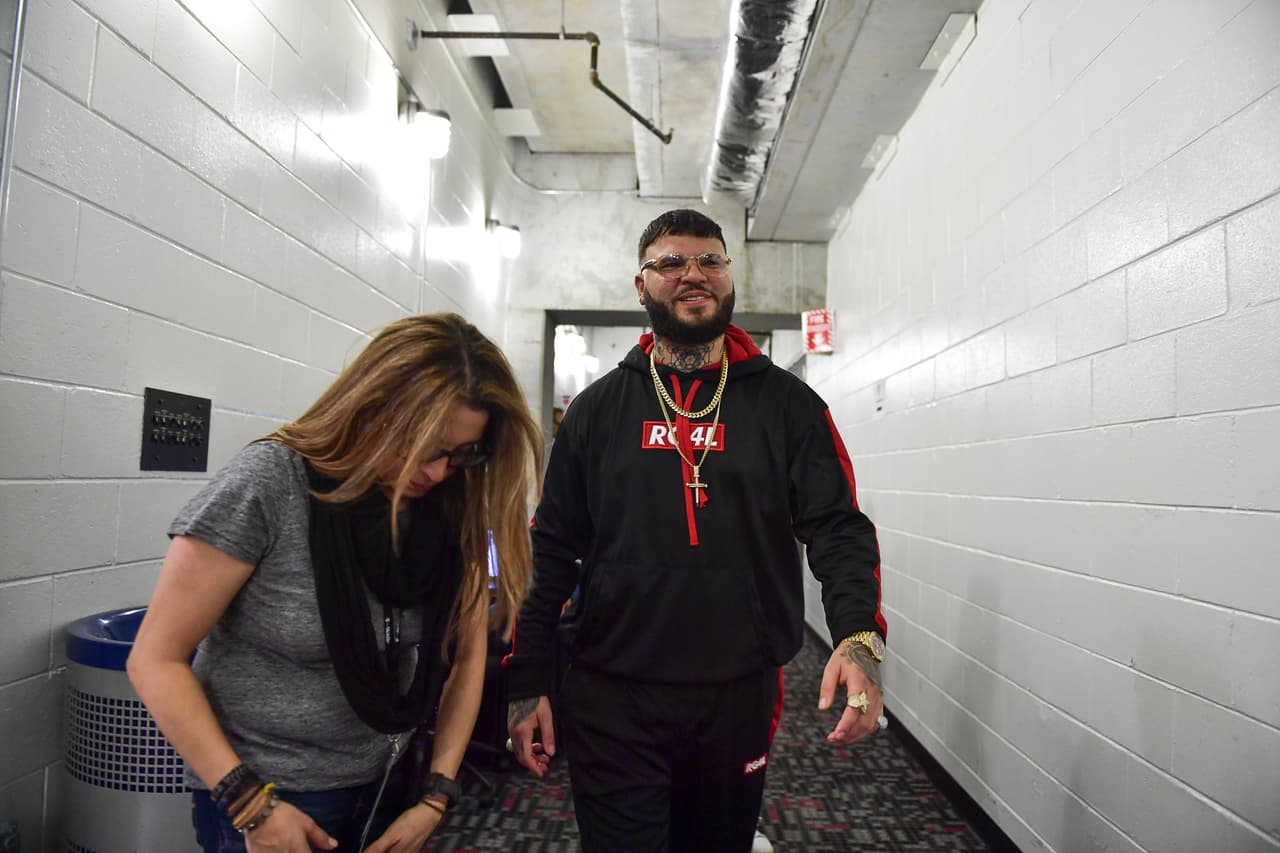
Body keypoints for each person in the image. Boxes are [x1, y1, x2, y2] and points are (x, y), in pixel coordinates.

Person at [504, 209, 886, 852]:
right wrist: (525, 681)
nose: (693, 274)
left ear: (729, 278)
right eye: (671, 262)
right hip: (612, 690)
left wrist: (859, 639)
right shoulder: (597, 410)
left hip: (735, 693)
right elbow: (551, 550)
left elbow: (839, 529)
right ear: (641, 285)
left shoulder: (788, 406)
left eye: (710, 260)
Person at [127, 313, 541, 853]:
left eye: (461, 455)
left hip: (387, 783)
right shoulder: (271, 482)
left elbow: (466, 659)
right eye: (426, 448)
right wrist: (251, 805)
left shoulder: (444, 503)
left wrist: (436, 797)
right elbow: (155, 660)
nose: (439, 472)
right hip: (270, 796)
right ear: (373, 410)